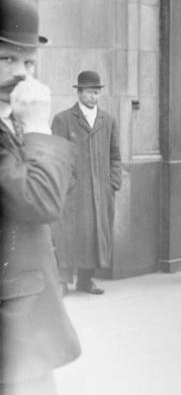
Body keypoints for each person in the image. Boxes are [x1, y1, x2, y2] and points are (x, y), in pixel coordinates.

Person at [0, 0, 85, 395]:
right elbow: (40, 201)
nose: (21, 73)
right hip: (13, 322)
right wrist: (38, 128)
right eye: (6, 58)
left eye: (28, 61)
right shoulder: (17, 124)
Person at [50, 70, 122, 295]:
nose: (94, 96)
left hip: (101, 190)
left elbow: (115, 155)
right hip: (74, 191)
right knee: (68, 235)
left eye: (97, 92)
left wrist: (113, 182)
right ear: (79, 92)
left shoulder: (107, 120)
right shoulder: (63, 119)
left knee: (94, 234)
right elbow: (57, 156)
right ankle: (62, 281)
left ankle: (86, 280)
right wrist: (68, 184)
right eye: (90, 92)